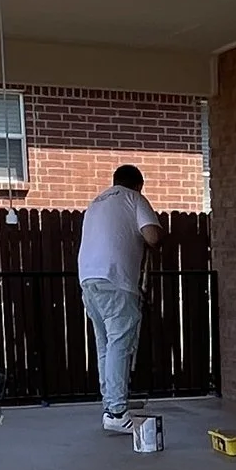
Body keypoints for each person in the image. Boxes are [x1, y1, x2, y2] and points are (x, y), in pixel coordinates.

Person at [75, 165, 163, 430]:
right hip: (115, 279)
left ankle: (110, 406)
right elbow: (152, 236)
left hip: (88, 279)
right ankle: (116, 413)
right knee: (119, 345)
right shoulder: (134, 198)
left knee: (105, 345)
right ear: (138, 185)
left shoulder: (96, 202)